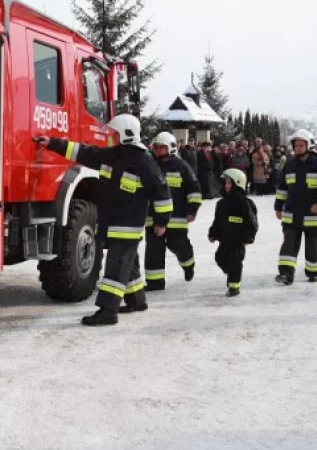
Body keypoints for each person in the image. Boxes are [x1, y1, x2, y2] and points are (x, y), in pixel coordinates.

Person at [36, 114, 172, 326]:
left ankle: (108, 311)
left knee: (116, 266)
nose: (111, 137)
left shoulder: (143, 158)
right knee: (129, 262)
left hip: (128, 224)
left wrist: (162, 220)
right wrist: (53, 143)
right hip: (115, 221)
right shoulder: (113, 155)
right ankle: (137, 300)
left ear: (126, 135)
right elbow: (84, 152)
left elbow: (161, 189)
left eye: (115, 134)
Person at [143, 132, 203, 292]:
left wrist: (192, 210)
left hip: (177, 218)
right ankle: (155, 282)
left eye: (162, 147)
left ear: (170, 148)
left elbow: (194, 190)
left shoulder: (182, 167)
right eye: (156, 147)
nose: (158, 150)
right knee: (153, 250)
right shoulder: (149, 165)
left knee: (178, 244)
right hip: (153, 217)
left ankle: (188, 263)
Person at [274, 129, 317, 285]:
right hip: (291, 213)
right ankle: (286, 274)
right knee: (288, 245)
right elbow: (282, 188)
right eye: (296, 145)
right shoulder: (289, 165)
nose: (298, 148)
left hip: (311, 214)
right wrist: (278, 206)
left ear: (308, 146)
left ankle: (313, 272)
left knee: (313, 246)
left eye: (301, 145)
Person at [208, 168, 258, 297]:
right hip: (225, 239)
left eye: (230, 183)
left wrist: (248, 236)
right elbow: (217, 221)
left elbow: (252, 222)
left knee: (235, 262)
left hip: (238, 241)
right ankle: (231, 274)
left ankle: (234, 286)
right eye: (225, 183)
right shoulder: (221, 204)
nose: (227, 186)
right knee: (219, 258)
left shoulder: (245, 204)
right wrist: (213, 233)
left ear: (238, 183)